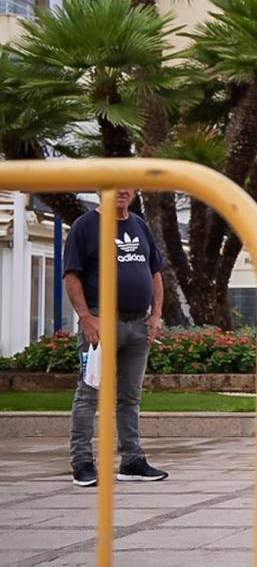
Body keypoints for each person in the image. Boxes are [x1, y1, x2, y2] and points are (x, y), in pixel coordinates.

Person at [63, 188, 168, 486]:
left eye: (127, 184)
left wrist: (156, 315)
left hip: (138, 325)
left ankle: (132, 461)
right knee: (88, 394)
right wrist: (86, 318)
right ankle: (82, 462)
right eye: (113, 183)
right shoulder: (85, 226)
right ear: (99, 190)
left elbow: (155, 272)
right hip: (101, 321)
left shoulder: (139, 225)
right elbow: (72, 275)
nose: (122, 190)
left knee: (130, 398)